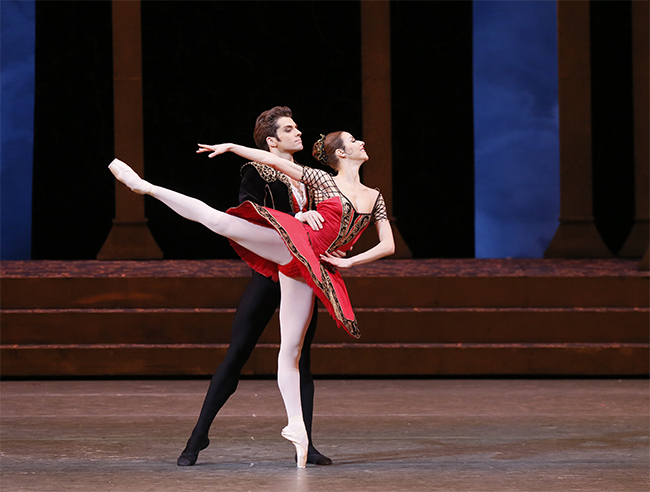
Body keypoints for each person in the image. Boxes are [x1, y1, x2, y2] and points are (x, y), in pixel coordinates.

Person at [109, 129, 395, 468]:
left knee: (292, 352)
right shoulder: (323, 179)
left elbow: (387, 245)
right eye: (354, 140)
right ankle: (146, 187)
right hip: (295, 241)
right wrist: (231, 147)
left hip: (310, 268)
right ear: (341, 154)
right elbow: (269, 159)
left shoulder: (375, 197)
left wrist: (349, 261)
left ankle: (298, 433)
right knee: (218, 220)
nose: (362, 142)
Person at [176, 107, 332, 467]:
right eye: (289, 129)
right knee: (237, 353)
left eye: (296, 127)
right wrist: (297, 218)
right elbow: (255, 214)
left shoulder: (309, 178)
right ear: (272, 141)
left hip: (303, 276)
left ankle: (306, 444)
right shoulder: (256, 172)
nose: (298, 133)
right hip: (270, 276)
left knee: (301, 360)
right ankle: (198, 436)